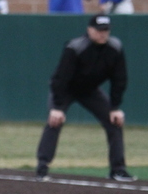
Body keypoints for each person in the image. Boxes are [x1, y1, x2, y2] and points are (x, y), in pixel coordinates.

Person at [35, 14, 136, 182]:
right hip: (65, 90)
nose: (103, 34)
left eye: (106, 30)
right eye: (99, 30)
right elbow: (61, 78)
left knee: (114, 122)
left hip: (89, 91)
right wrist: (57, 107)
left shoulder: (115, 48)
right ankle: (42, 167)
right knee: (55, 122)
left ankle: (118, 170)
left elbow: (119, 79)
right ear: (89, 30)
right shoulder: (76, 47)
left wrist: (115, 107)